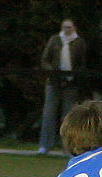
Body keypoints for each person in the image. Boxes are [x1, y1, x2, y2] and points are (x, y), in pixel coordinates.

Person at [37, 19, 87, 155]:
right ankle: (44, 145)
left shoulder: (79, 42)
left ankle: (68, 147)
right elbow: (45, 59)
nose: (67, 29)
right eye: (65, 27)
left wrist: (75, 76)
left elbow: (82, 63)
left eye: (70, 27)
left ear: (74, 28)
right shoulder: (55, 40)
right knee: (48, 113)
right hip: (53, 82)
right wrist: (53, 72)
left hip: (71, 83)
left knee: (68, 116)